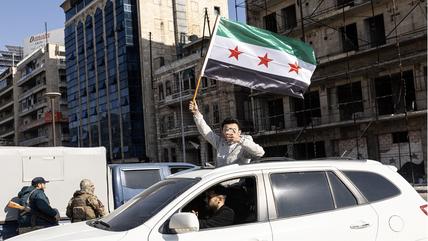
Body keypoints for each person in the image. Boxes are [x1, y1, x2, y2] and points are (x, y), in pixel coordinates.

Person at [189, 100, 265, 167]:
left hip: (238, 182)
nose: (229, 132)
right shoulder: (220, 142)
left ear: (239, 132)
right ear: (222, 132)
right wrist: (196, 113)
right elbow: (205, 131)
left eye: (233, 129)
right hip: (221, 180)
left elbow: (260, 153)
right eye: (226, 129)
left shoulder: (245, 142)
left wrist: (240, 140)